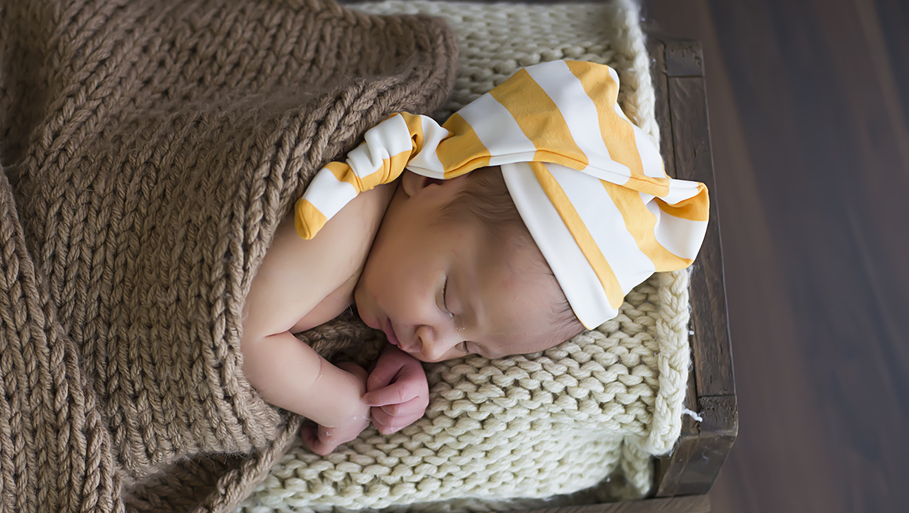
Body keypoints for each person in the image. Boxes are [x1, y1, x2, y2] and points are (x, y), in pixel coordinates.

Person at [241, 59, 710, 456]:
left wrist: (385, 360)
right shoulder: (340, 218)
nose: (434, 347)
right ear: (431, 182)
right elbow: (240, 333)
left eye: (469, 349)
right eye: (448, 302)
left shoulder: (398, 255)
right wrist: (342, 402)